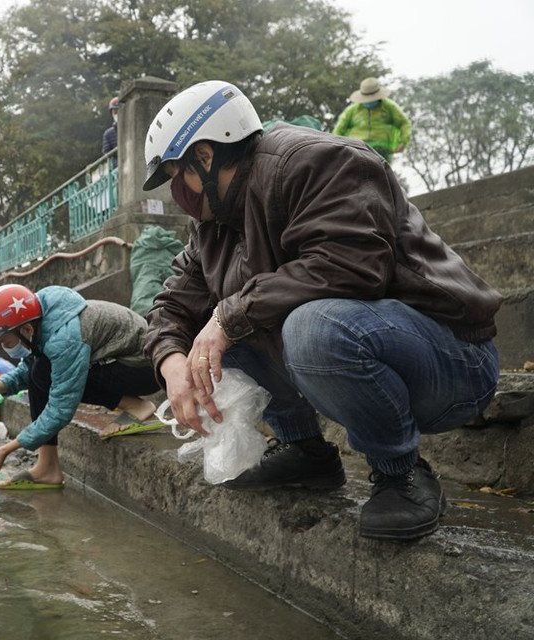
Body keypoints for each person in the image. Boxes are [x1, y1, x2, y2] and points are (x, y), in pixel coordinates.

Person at [141, 80, 500, 540]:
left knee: (304, 325)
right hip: (361, 354)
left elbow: (352, 265)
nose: (179, 191)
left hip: (451, 361)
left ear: (205, 157)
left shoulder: (318, 162)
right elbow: (173, 303)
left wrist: (226, 318)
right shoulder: (211, 224)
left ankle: (400, 471)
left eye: (177, 174)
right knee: (211, 341)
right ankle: (305, 450)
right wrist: (171, 362)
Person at [0, 283, 163, 489]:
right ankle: (47, 467)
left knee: (45, 372)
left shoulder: (66, 338)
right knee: (39, 370)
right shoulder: (40, 320)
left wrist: (7, 449)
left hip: (145, 369)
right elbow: (28, 370)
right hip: (120, 363)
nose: (5, 348)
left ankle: (136, 406)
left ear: (25, 329)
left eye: (6, 342)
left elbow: (61, 409)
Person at [332, 77, 412, 163]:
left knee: (380, 174)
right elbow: (340, 129)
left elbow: (404, 124)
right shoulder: (352, 110)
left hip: (381, 149)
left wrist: (403, 142)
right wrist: (335, 146)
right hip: (356, 148)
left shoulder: (389, 107)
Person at [102, 97, 120, 163]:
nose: (117, 114)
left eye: (119, 111)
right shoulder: (108, 134)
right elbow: (107, 155)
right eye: (115, 112)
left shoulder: (133, 130)